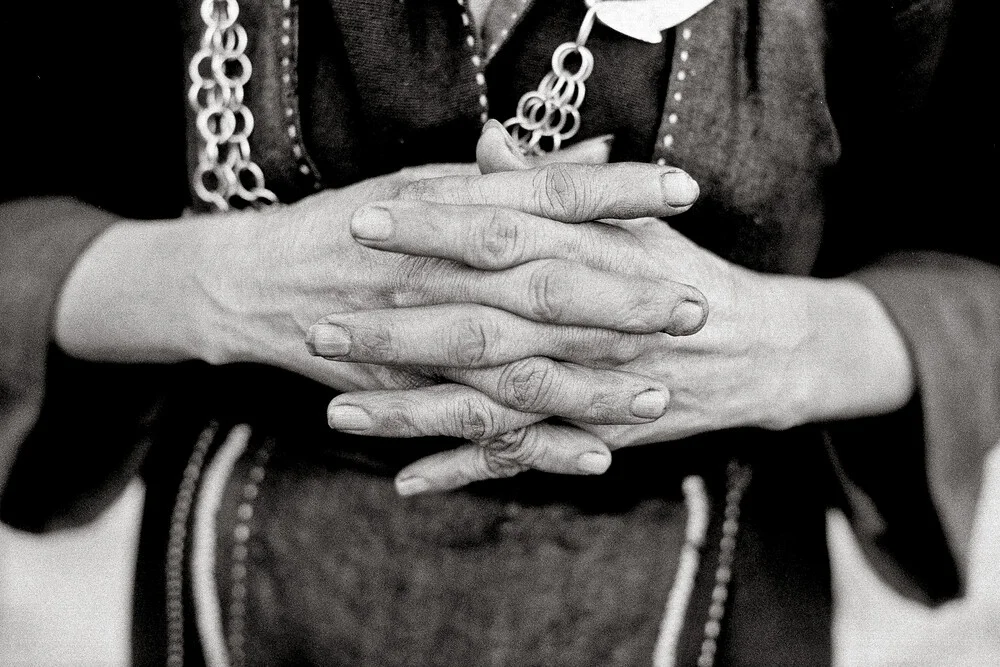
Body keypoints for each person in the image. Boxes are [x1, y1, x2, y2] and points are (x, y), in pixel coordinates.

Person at [0, 0, 995, 664]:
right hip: (241, 575)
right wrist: (218, 283)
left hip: (713, 589)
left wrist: (773, 349)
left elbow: (970, 275)